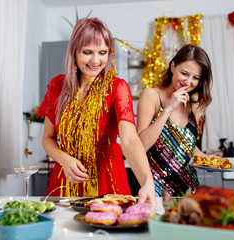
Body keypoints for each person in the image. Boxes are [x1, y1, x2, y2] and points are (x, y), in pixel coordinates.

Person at [37, 18, 155, 206]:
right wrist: (65, 159)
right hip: (65, 181)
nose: (95, 60)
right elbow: (47, 138)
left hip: (108, 181)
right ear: (74, 53)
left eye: (102, 53)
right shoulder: (57, 86)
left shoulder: (118, 88)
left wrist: (147, 182)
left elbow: (130, 140)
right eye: (87, 52)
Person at [136, 44, 213, 197]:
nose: (188, 82)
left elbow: (187, 146)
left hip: (189, 192)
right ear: (173, 67)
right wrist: (168, 109)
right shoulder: (151, 96)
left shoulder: (195, 102)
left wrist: (205, 159)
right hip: (156, 192)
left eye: (196, 78)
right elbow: (140, 146)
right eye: (184, 73)